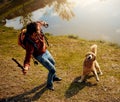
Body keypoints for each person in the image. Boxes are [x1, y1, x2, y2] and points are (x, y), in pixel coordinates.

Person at [22, 21, 62, 91]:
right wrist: (26, 67)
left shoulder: (37, 27)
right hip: (39, 56)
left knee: (53, 63)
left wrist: (45, 23)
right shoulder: (29, 43)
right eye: (38, 32)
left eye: (39, 30)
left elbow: (40, 23)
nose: (39, 32)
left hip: (45, 51)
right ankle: (49, 85)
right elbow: (27, 57)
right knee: (52, 69)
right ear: (33, 33)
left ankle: (54, 77)